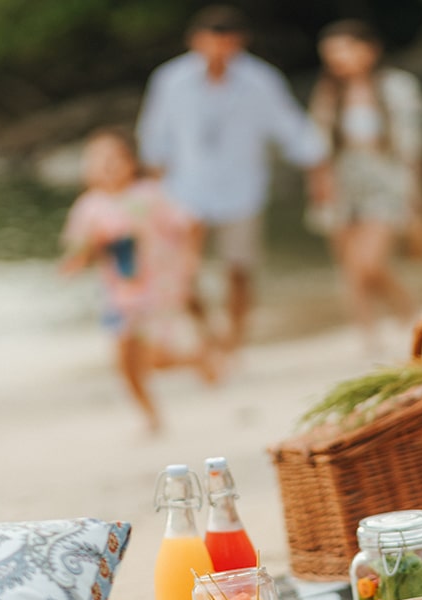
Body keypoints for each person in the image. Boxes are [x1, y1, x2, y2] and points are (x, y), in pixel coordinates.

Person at [137, 4, 328, 353]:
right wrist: (153, 194)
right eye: (212, 43)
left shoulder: (260, 80)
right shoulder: (171, 80)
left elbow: (291, 128)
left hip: (242, 190)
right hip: (184, 190)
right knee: (181, 272)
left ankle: (235, 339)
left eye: (227, 44)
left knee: (239, 269)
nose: (220, 52)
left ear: (240, 43)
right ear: (195, 42)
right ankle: (207, 333)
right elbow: (155, 137)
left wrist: (319, 170)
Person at [60, 128, 219, 435]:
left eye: (114, 157)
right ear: (87, 170)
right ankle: (150, 415)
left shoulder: (149, 194)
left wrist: (190, 258)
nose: (107, 165)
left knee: (155, 358)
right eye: (98, 159)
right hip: (118, 295)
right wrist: (77, 261)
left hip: (158, 290)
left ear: (131, 162)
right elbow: (80, 249)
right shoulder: (88, 207)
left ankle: (195, 359)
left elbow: (192, 222)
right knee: (124, 362)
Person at [307, 20, 422, 350]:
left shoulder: (398, 87)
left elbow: (413, 148)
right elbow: (316, 147)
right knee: (349, 268)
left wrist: (417, 199)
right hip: (340, 185)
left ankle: (409, 313)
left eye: (346, 49)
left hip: (386, 185)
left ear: (370, 49)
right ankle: (368, 336)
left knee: (370, 264)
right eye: (332, 53)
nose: (339, 59)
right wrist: (319, 186)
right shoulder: (329, 93)